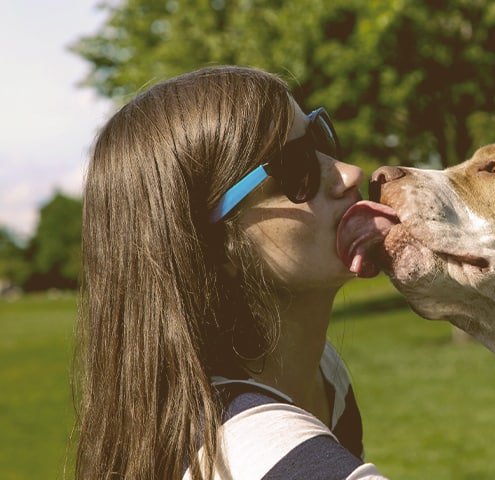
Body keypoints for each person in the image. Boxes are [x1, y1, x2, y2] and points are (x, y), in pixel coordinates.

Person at [74, 66, 387, 479]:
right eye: (296, 168)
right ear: (211, 245)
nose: (350, 174)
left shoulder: (325, 375)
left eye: (319, 138)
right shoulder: (261, 454)